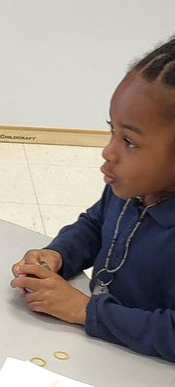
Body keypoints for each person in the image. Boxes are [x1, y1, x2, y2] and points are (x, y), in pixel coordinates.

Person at [10, 36, 175, 361]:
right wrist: (57, 255)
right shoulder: (129, 189)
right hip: (100, 350)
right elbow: (96, 225)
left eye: (128, 141)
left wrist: (85, 310)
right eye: (111, 131)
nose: (108, 151)